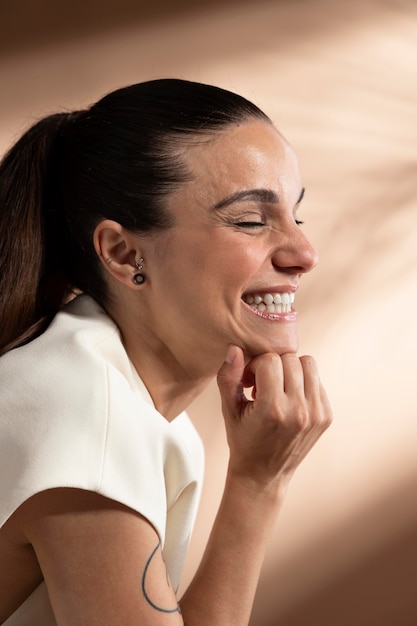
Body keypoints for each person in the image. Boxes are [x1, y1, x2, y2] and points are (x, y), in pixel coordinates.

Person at [0, 78, 332, 625]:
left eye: (297, 216)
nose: (305, 252)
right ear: (124, 252)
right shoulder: (88, 415)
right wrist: (258, 485)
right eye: (251, 220)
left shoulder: (130, 405)